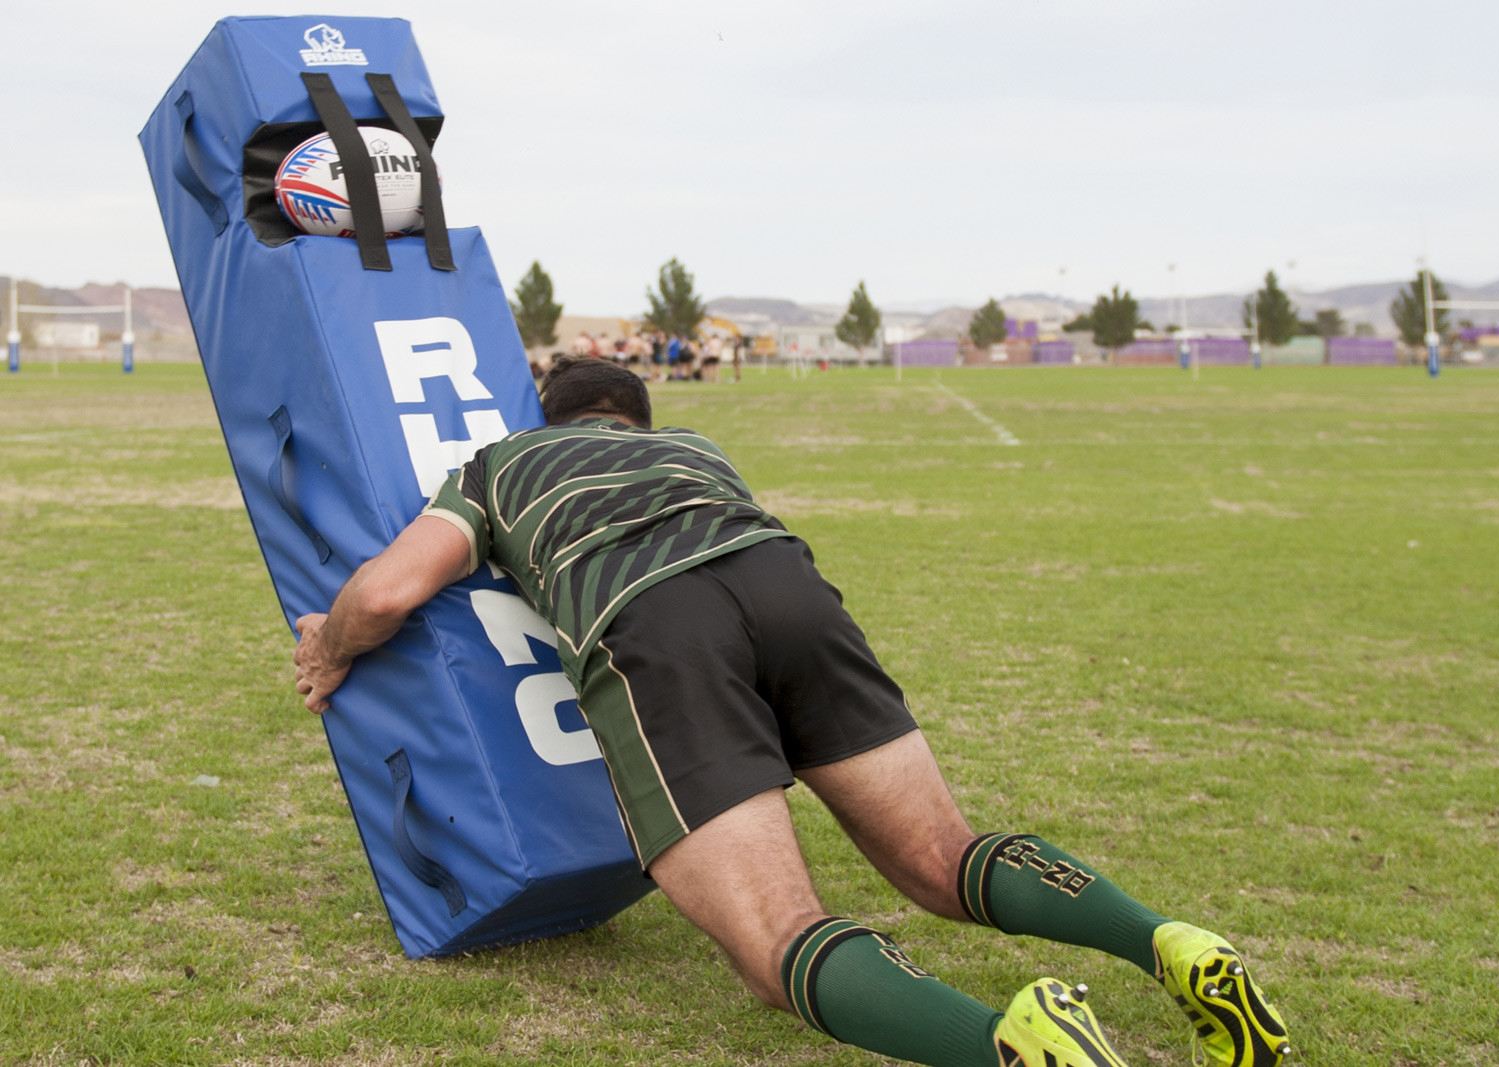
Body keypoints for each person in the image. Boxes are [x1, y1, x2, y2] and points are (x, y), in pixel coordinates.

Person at [293, 357, 1292, 1067]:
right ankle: (1172, 942)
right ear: (636, 418)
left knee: (778, 940)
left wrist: (327, 644)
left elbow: (385, 593)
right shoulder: (697, 447)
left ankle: (1012, 1048)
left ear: (549, 415)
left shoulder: (501, 463)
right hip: (788, 585)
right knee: (942, 857)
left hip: (654, 619)